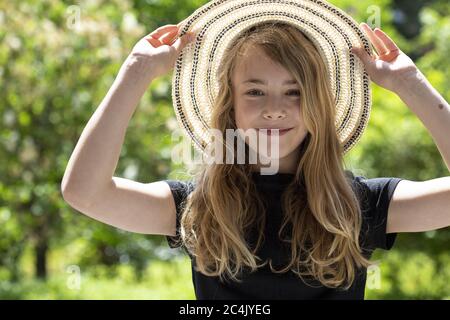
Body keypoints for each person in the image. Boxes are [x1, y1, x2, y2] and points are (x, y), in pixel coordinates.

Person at [61, 16, 450, 299]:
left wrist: (408, 83)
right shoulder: (198, 208)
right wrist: (137, 71)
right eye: (255, 91)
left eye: (294, 91)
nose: (275, 109)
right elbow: (85, 192)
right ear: (230, 106)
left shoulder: (356, 205)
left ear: (318, 103)